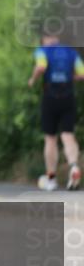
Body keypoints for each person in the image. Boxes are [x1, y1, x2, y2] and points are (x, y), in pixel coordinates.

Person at [28, 33, 83, 191]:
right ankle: (73, 166)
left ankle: (51, 178)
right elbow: (82, 73)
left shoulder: (42, 51)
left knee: (50, 138)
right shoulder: (71, 52)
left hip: (50, 97)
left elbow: (41, 67)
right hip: (68, 97)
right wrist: (70, 77)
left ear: (44, 38)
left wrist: (33, 79)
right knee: (68, 135)